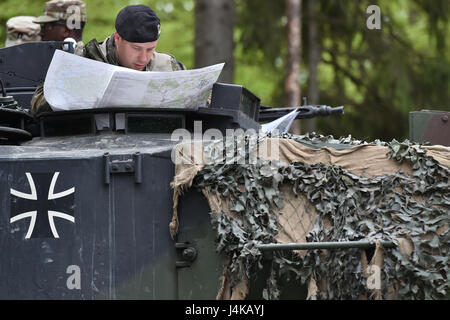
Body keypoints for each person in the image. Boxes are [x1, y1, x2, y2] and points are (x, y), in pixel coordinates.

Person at [31, 4, 185, 115]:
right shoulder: (83, 60)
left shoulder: (169, 67)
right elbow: (37, 104)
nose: (143, 58)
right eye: (136, 48)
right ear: (117, 38)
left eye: (150, 49)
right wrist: (78, 86)